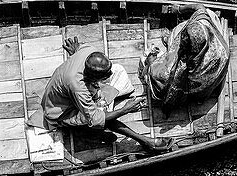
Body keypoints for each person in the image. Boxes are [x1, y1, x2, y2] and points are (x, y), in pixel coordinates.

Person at [39, 36, 169, 152]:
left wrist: (75, 53)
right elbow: (96, 118)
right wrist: (126, 109)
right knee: (100, 117)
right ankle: (144, 140)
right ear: (91, 77)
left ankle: (96, 125)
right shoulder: (78, 87)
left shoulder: (89, 50)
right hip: (61, 111)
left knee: (119, 71)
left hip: (69, 90)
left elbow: (80, 49)